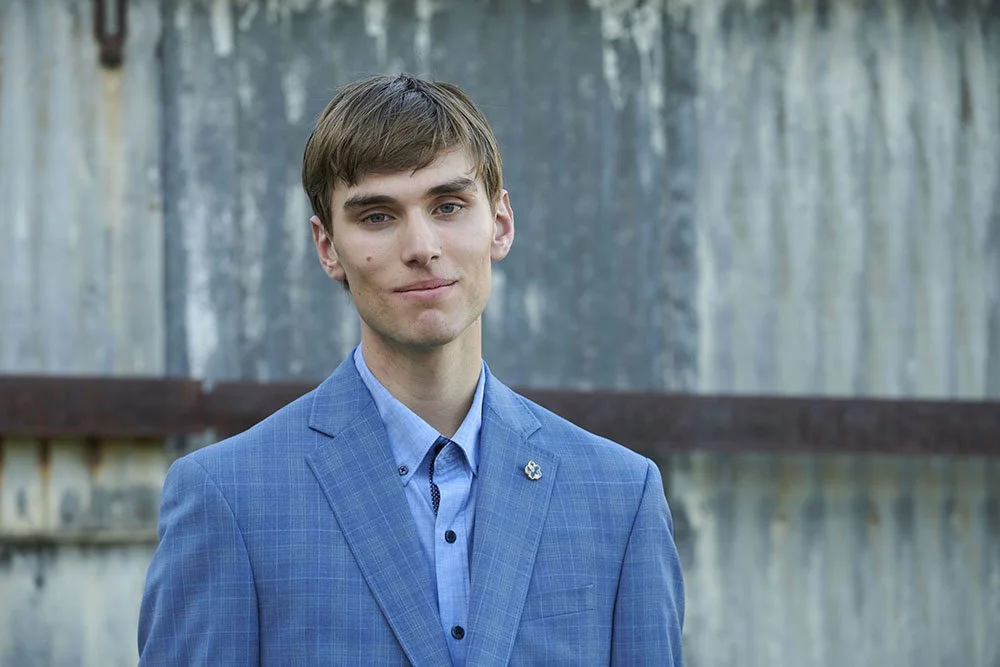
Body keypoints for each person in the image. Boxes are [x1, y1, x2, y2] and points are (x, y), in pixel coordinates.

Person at [138, 73, 684, 666]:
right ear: (327, 248)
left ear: (500, 223)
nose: (421, 245)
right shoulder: (227, 499)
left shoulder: (621, 496)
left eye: (448, 205)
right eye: (377, 216)